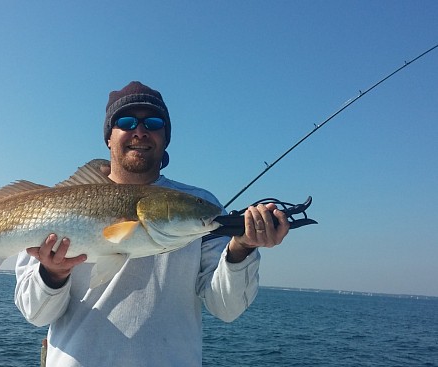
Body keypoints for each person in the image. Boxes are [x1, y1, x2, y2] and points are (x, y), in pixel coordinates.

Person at [14, 81, 290, 366]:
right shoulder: (49, 208)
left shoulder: (200, 205)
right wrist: (52, 275)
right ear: (109, 137)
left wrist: (241, 250)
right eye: (126, 121)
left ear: (166, 137)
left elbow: (226, 308)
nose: (140, 131)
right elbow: (35, 314)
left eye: (154, 122)